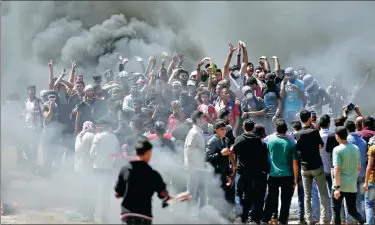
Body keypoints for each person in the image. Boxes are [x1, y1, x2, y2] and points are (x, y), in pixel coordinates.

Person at [115, 140, 185, 225]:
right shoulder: (153, 174)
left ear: (136, 153)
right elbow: (163, 194)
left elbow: (118, 191)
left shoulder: (125, 169)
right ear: (148, 154)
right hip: (144, 215)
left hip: (127, 215)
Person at [261, 119, 299, 225]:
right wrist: (295, 178)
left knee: (271, 198)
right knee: (286, 201)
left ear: (275, 129)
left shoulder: (269, 141)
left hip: (273, 175)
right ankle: (282, 221)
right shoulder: (291, 143)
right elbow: (295, 162)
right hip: (287, 175)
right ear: (286, 130)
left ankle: (265, 219)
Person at [294, 110, 329, 225]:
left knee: (307, 195)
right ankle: (323, 220)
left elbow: (298, 150)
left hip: (305, 167)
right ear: (309, 118)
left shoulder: (297, 134)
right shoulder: (314, 132)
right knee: (323, 194)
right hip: (317, 166)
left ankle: (309, 220)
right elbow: (320, 146)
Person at [232, 119, 269, 224]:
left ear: (243, 127)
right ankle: (252, 218)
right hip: (256, 174)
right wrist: (265, 171)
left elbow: (233, 151)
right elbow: (264, 158)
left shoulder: (239, 139)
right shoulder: (260, 141)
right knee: (254, 196)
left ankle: (242, 217)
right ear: (253, 128)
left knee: (241, 194)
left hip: (242, 173)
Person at [331, 126, 365, 225]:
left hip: (339, 185)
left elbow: (336, 169)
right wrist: (352, 178)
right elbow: (359, 168)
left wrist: (337, 187)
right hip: (351, 185)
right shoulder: (355, 148)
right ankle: (362, 221)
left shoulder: (337, 150)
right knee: (352, 210)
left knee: (336, 210)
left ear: (337, 136)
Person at [183, 111, 206, 221]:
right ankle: (187, 217)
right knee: (191, 193)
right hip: (194, 168)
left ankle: (200, 216)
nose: (204, 120)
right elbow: (189, 150)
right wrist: (191, 166)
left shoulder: (198, 132)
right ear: (197, 120)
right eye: (202, 118)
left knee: (202, 192)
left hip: (199, 168)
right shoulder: (194, 133)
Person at [345, 120, 367, 219]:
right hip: (362, 173)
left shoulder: (347, 141)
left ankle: (350, 220)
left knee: (349, 199)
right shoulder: (363, 141)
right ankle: (361, 219)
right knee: (361, 198)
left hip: (350, 175)